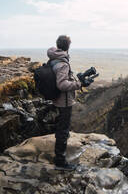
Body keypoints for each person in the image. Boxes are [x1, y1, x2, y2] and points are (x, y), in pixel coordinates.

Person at [47, 35, 81, 171]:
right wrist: (78, 84)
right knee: (63, 131)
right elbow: (61, 84)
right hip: (64, 102)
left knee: (60, 129)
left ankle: (58, 156)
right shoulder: (62, 63)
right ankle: (60, 161)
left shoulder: (54, 58)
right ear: (68, 46)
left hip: (57, 99)